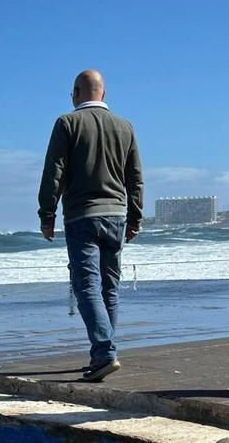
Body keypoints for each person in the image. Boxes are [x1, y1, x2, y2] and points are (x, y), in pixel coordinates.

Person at [38, 69, 143, 382]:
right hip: (117, 215)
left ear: (75, 92)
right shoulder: (125, 126)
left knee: (86, 287)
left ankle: (104, 352)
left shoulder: (67, 123)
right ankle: (103, 353)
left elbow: (54, 171)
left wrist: (47, 214)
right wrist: (135, 216)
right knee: (110, 287)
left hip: (82, 216)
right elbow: (135, 177)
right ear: (104, 93)